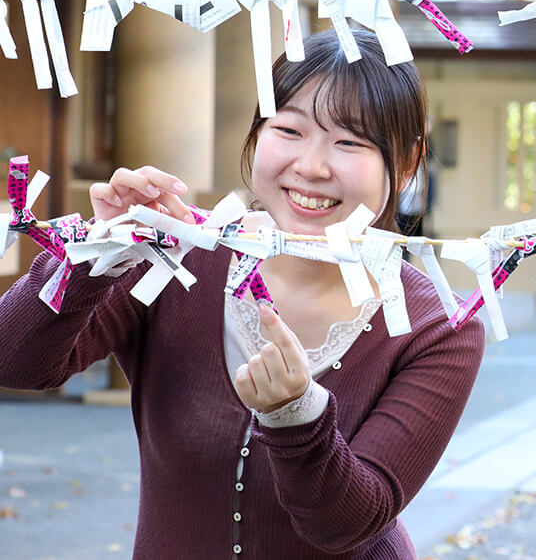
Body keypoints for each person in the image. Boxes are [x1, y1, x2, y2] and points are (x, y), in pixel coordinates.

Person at [0, 29, 485, 558]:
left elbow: (349, 525)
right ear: (257, 133)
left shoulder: (439, 326)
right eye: (290, 130)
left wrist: (296, 416)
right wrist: (98, 253)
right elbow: (14, 362)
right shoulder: (176, 252)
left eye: (350, 142)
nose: (312, 167)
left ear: (409, 163)